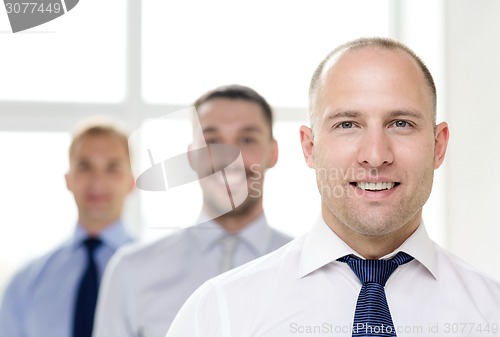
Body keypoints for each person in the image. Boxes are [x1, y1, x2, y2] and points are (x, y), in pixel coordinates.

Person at [165, 38, 500, 337]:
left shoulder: (491, 312)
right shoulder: (220, 313)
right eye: (347, 124)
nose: (375, 155)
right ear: (310, 147)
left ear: (438, 146)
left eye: (401, 124)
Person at [92, 85, 292, 337]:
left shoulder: (316, 272)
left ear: (272, 153)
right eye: (212, 141)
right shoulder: (130, 272)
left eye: (247, 139)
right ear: (191, 156)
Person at [0, 118, 136, 337]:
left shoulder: (159, 277)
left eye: (112, 168)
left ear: (131, 182)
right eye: (85, 167)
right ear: (68, 179)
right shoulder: (24, 284)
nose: (97, 181)